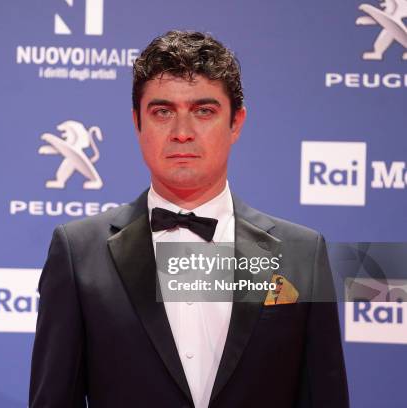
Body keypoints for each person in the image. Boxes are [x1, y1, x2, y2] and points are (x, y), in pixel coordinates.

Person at [29, 30, 349, 408]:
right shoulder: (78, 252)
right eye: (163, 112)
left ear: (236, 123)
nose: (182, 133)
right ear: (137, 122)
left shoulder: (302, 254)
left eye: (204, 111)